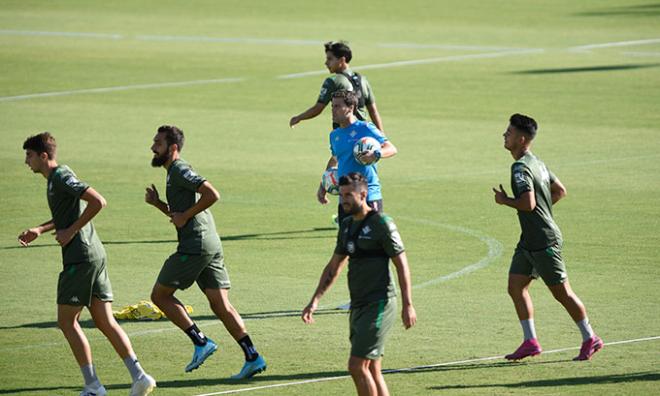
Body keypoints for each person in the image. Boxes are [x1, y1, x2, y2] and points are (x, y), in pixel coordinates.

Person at [18, 132, 156, 396]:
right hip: (94, 255)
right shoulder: (55, 179)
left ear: (43, 156)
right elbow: (68, 215)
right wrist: (40, 229)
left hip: (80, 257)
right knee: (104, 321)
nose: (26, 161)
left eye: (29, 155)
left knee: (67, 321)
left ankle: (93, 386)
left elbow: (97, 201)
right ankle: (139, 376)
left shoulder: (60, 176)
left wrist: (70, 232)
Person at [145, 125, 266, 379]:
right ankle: (253, 357)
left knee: (160, 295)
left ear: (173, 148)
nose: (153, 147)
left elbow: (212, 194)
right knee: (221, 305)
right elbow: (179, 215)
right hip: (209, 243)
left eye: (158, 143)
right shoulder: (172, 172)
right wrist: (158, 205)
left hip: (195, 245)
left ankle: (200, 342)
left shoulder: (179, 169)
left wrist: (185, 215)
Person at [492, 114, 603, 361]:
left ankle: (590, 337)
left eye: (508, 132)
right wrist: (544, 211)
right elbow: (559, 191)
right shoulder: (537, 163)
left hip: (544, 242)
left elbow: (528, 204)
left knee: (562, 293)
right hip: (529, 241)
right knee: (515, 286)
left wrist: (505, 201)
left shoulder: (520, 168)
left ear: (521, 139)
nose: (504, 135)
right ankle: (530, 341)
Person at [303, 172, 417, 396]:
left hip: (380, 304)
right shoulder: (346, 226)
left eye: (348, 195)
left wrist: (408, 304)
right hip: (359, 305)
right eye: (342, 195)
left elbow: (401, 264)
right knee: (373, 368)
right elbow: (333, 267)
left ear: (363, 194)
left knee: (356, 366)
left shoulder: (381, 223)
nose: (344, 200)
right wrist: (314, 300)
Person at [318, 90, 397, 224]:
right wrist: (323, 185)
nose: (333, 110)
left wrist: (375, 154)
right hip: (346, 199)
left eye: (337, 106)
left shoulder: (366, 128)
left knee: (372, 240)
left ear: (350, 108)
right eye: (332, 106)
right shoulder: (334, 135)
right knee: (347, 240)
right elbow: (335, 159)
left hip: (368, 195)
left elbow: (391, 148)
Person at [290, 41, 384, 131]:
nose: (326, 63)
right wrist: (382, 137)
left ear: (342, 60)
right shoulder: (363, 80)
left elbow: (318, 108)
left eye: (330, 59)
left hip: (344, 134)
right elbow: (373, 111)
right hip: (363, 134)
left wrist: (299, 117)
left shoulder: (333, 81)